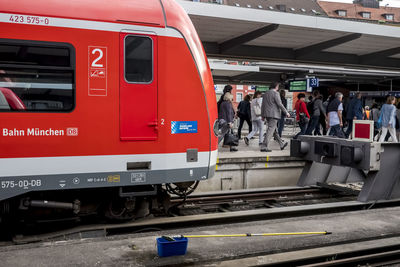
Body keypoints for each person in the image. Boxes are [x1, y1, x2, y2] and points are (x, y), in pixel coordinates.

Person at [260, 82, 290, 152]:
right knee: (270, 130)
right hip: (274, 114)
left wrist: (262, 115)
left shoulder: (265, 93)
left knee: (274, 131)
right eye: (278, 86)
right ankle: (264, 146)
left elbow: (263, 105)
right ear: (276, 86)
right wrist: (286, 112)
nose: (278, 87)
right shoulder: (276, 93)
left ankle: (281, 144)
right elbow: (279, 104)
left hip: (267, 114)